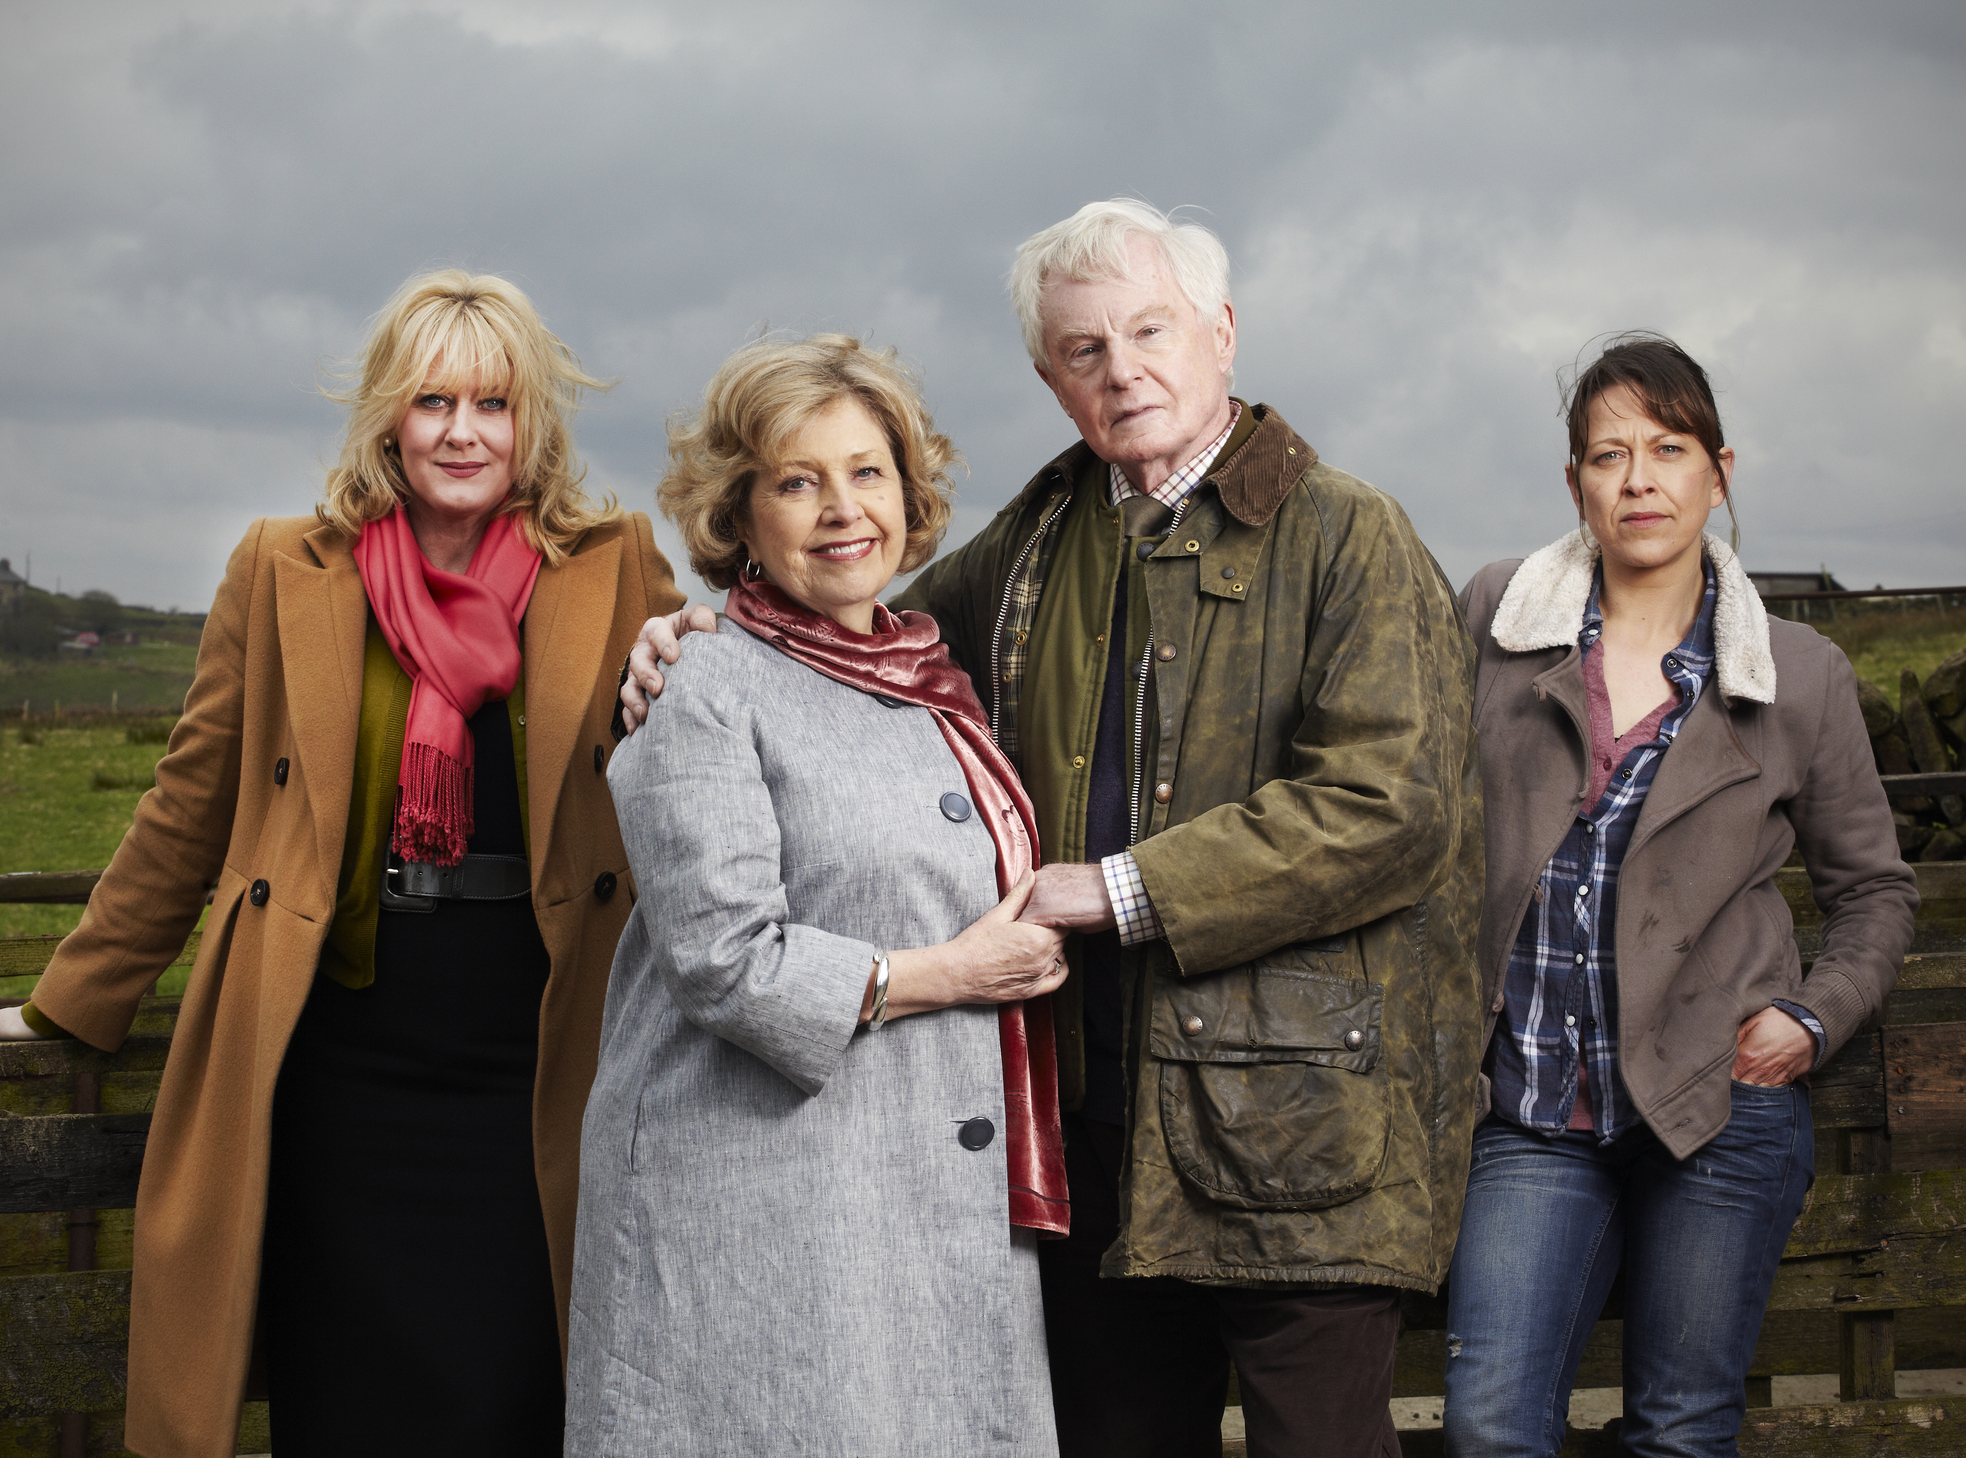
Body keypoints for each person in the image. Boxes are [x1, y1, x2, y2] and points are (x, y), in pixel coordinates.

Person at [621, 200, 1486, 1458]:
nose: (1121, 368)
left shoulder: (1349, 535)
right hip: (1091, 1136)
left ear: (1221, 334)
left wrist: (1119, 891)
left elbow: (1389, 808)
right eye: (1083, 348)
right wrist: (692, 635)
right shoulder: (1031, 542)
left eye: (1149, 329)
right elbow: (852, 644)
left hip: (1303, 1140)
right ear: (1048, 375)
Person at [0, 270, 686, 1458]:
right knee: (348, 1402)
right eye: (433, 401)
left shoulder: (610, 565)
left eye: (492, 405)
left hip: (538, 1063)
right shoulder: (285, 566)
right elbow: (188, 804)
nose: (461, 432)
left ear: (531, 422)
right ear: (389, 417)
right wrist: (68, 1003)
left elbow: (687, 762)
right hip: (340, 1064)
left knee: (521, 1391)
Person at [563, 334, 1067, 1456]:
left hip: (909, 1198)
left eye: (866, 472)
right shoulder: (701, 684)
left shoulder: (934, 680)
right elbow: (724, 962)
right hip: (756, 1208)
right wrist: (950, 975)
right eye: (798, 481)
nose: (842, 509)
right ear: (738, 516)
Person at [1440, 334, 1920, 1457]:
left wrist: (1807, 1019)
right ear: (1573, 483)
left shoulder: (1796, 673)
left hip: (1715, 1113)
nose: (1638, 478)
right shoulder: (1495, 620)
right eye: (1607, 454)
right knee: (1488, 1423)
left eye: (1668, 447)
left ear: (1718, 469)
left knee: (1678, 1429)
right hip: (1528, 1112)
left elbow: (1876, 892)